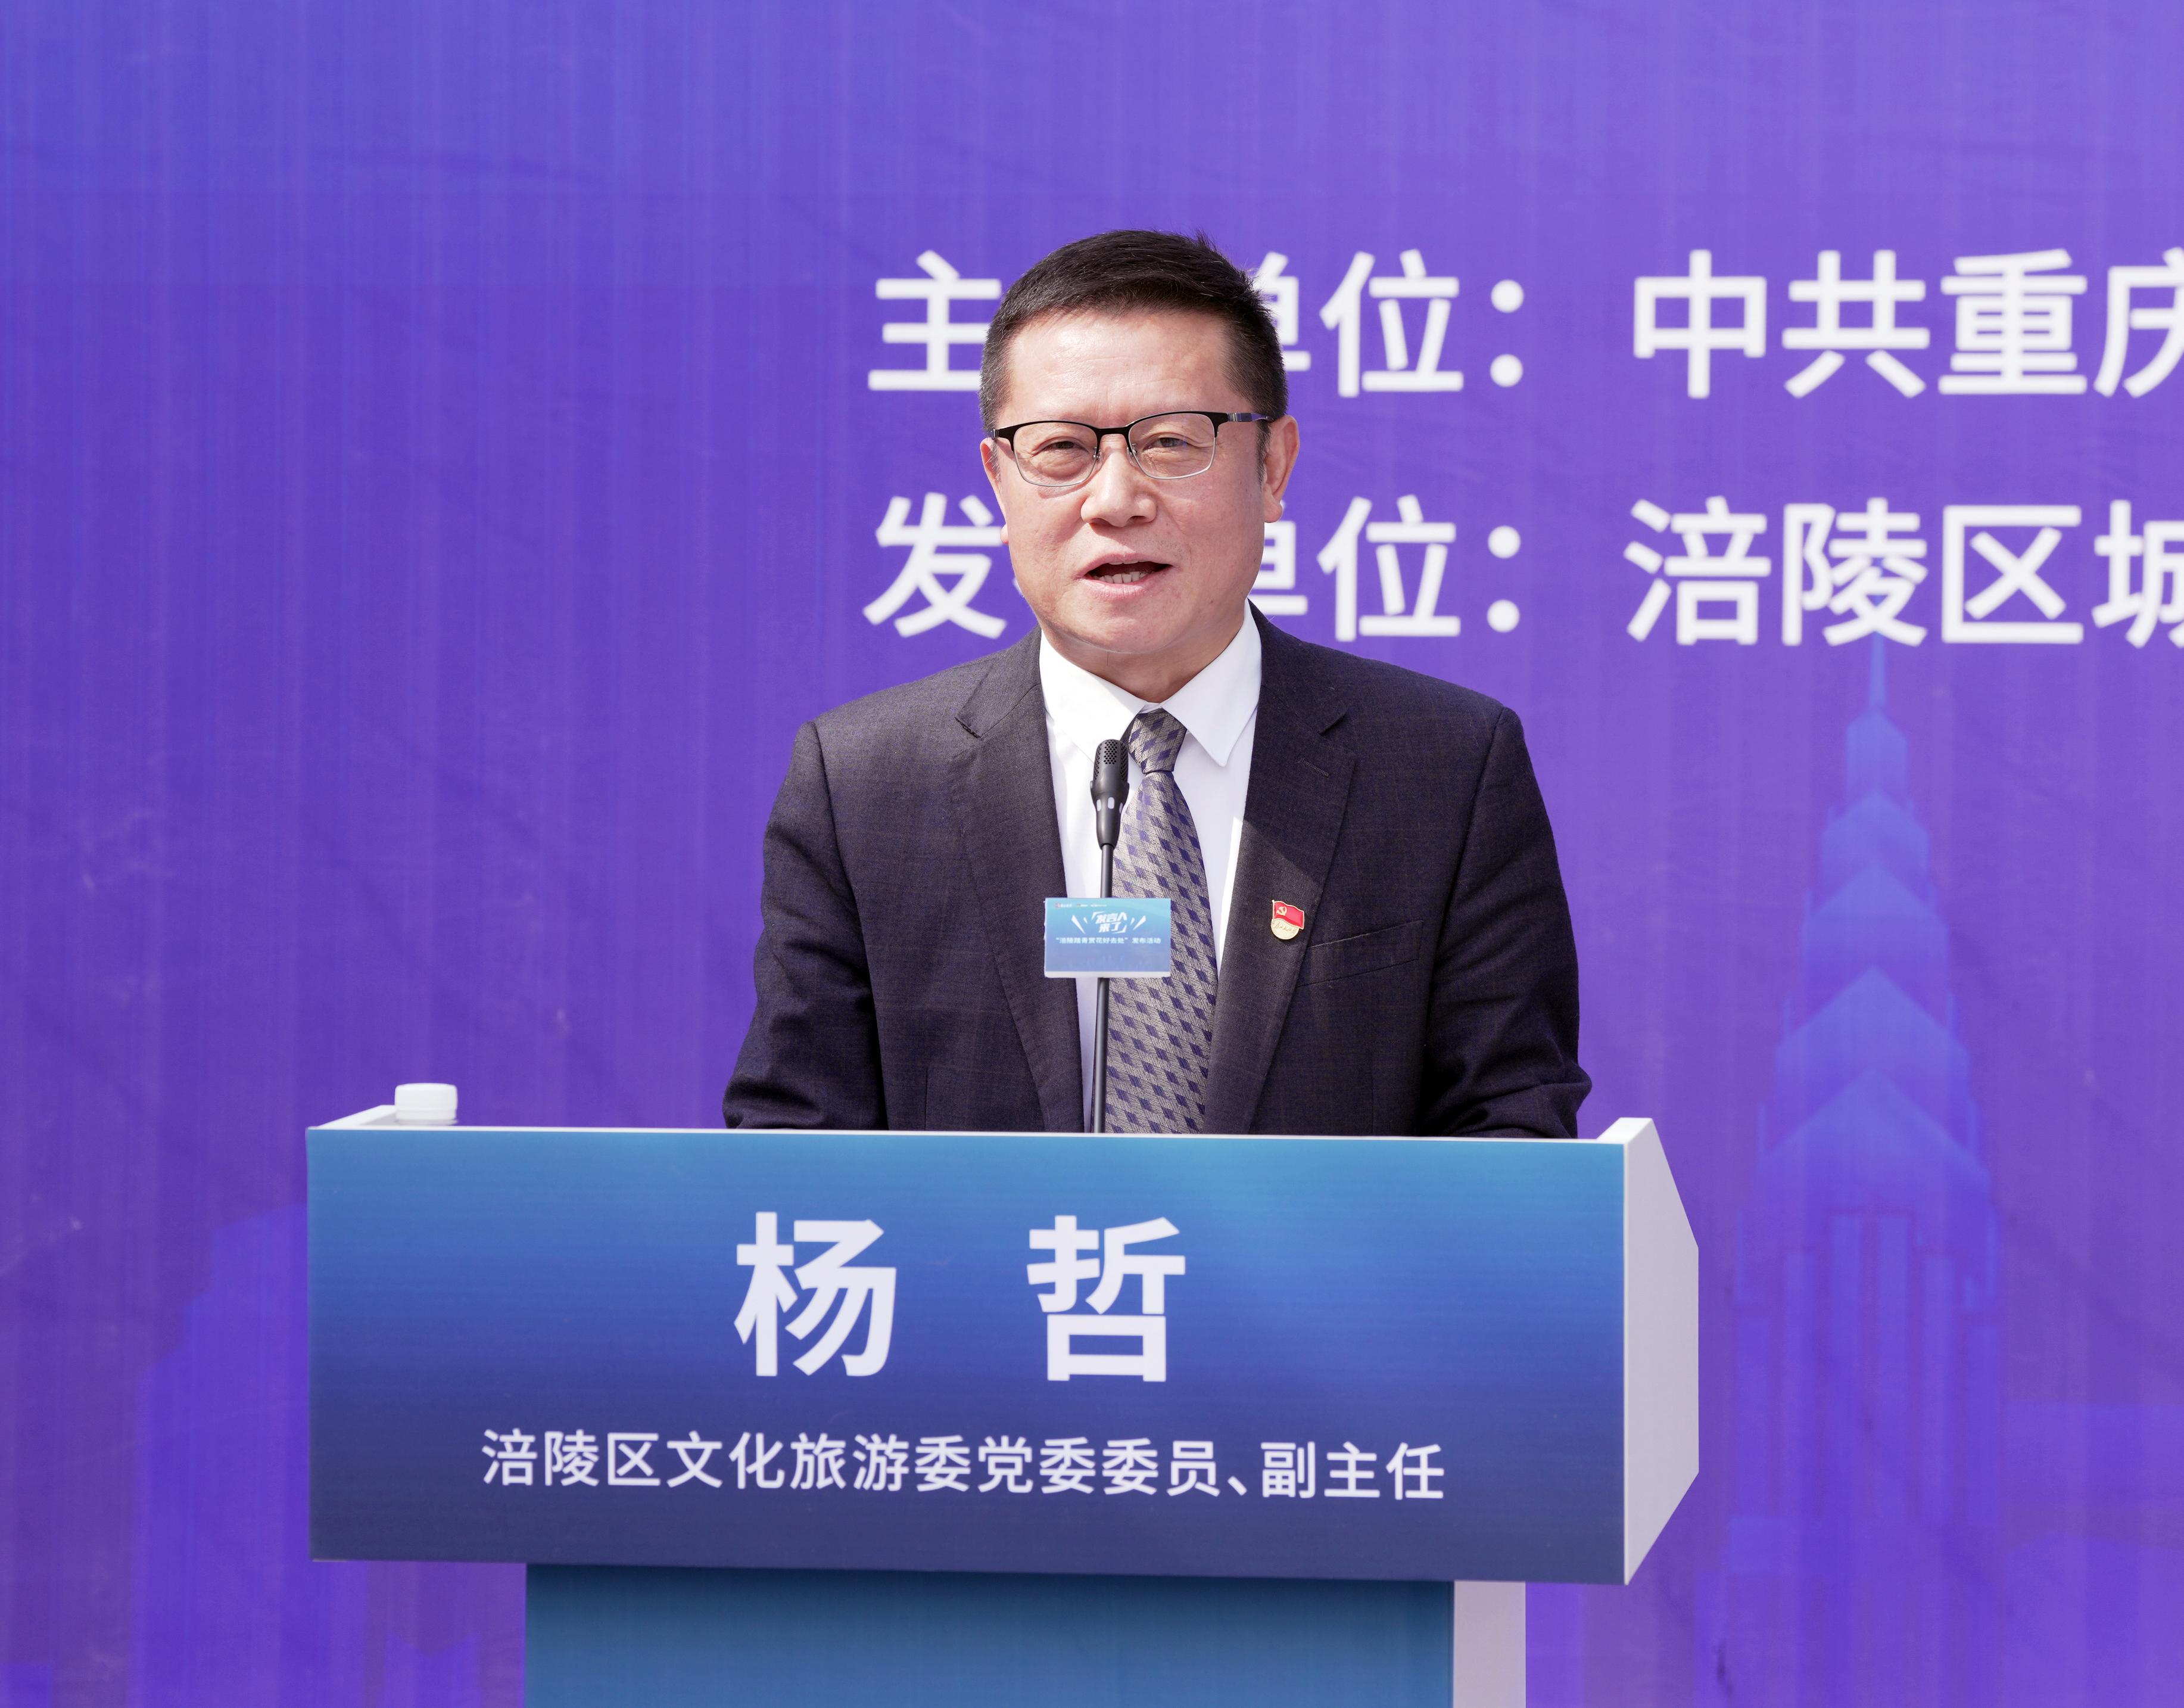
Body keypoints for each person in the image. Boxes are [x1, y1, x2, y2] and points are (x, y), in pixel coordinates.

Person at [724, 230, 1588, 1137]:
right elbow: (793, 1151)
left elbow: (1512, 1135)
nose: (1114, 500)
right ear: (998, 482)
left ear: (1273, 466)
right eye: (1061, 449)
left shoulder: (1443, 771)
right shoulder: (865, 786)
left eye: (1171, 442)